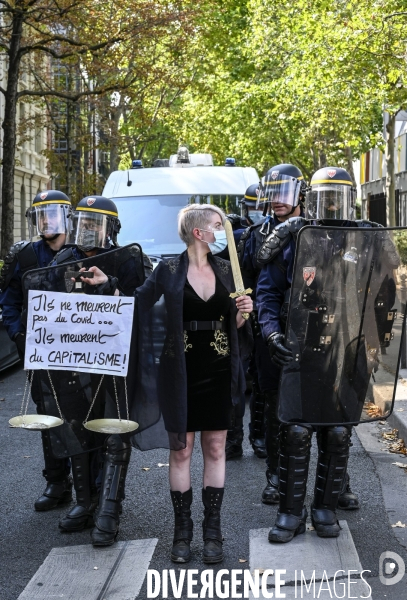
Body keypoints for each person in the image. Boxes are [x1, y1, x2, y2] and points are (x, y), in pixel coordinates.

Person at [129, 204, 253, 564]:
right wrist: (106, 287)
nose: (223, 231)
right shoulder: (167, 269)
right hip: (178, 370)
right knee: (181, 451)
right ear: (199, 233)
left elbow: (237, 327)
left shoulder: (229, 270)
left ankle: (212, 532)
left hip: (218, 369)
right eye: (218, 226)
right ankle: (182, 533)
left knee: (215, 448)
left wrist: (245, 311)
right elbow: (138, 305)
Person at [257, 166, 368, 543]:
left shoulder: (364, 239)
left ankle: (325, 508)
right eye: (326, 196)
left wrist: (376, 337)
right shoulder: (292, 237)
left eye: (340, 197)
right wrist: (271, 334)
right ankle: (290, 513)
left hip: (345, 349)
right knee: (297, 430)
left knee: (337, 433)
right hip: (299, 346)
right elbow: (268, 294)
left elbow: (383, 293)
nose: (333, 205)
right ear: (311, 197)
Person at [47, 195, 152, 546]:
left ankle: (109, 509)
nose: (87, 230)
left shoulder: (130, 260)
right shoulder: (62, 259)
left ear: (111, 229)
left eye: (95, 223)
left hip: (115, 362)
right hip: (74, 363)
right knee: (77, 427)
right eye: (83, 222)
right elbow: (45, 304)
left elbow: (144, 306)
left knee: (114, 430)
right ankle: (84, 502)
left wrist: (110, 286)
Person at [0, 190, 73, 511]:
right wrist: (17, 334)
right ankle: (57, 482)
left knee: (82, 416)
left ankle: (90, 487)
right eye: (42, 216)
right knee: (48, 415)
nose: (48, 223)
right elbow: (10, 301)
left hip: (78, 352)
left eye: (53, 215)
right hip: (40, 353)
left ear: (67, 217)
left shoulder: (81, 252)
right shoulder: (26, 256)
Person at [239, 172, 305, 489]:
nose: (278, 198)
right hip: (269, 328)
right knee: (274, 402)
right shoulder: (255, 234)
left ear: (301, 194)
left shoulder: (319, 229)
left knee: (324, 408)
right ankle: (276, 475)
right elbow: (253, 285)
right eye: (273, 192)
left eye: (285, 191)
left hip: (314, 333)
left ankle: (339, 479)